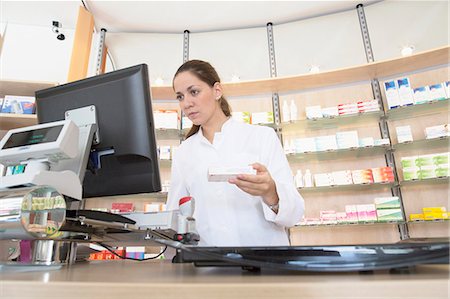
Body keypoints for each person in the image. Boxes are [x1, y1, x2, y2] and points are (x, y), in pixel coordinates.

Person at [167, 59, 304, 246]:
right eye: (180, 96)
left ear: (217, 91)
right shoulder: (184, 152)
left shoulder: (262, 137)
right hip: (208, 265)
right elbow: (175, 218)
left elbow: (294, 214)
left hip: (263, 263)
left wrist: (271, 192)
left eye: (194, 92)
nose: (186, 103)